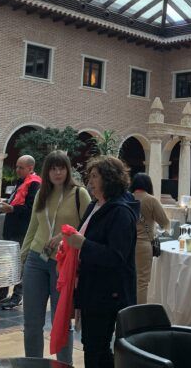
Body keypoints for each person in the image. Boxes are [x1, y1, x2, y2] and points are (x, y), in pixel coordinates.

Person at [66, 155, 138, 368]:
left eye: (95, 176)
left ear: (109, 178)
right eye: (90, 176)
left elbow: (117, 256)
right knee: (93, 345)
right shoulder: (95, 205)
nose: (90, 181)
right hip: (92, 287)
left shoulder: (121, 212)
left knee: (96, 347)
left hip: (107, 292)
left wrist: (83, 244)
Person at [21, 151, 90, 365]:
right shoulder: (41, 193)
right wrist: (22, 256)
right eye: (53, 168)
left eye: (61, 168)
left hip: (63, 263)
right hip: (36, 259)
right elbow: (33, 226)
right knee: (32, 322)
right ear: (47, 171)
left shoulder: (79, 194)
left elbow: (88, 227)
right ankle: (33, 364)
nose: (57, 172)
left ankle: (64, 364)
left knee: (61, 323)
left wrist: (64, 235)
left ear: (68, 170)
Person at [0, 155, 41, 310]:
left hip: (22, 230)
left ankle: (17, 296)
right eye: (16, 167)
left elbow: (31, 209)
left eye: (21, 168)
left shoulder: (34, 184)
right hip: (11, 228)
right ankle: (2, 293)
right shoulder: (20, 182)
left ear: (30, 168)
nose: (17, 170)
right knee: (9, 262)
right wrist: (7, 204)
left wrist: (11, 208)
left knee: (20, 263)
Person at [130, 172, 170, 304]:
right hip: (143, 245)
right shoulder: (151, 200)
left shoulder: (127, 198)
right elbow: (165, 222)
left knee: (128, 280)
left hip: (126, 244)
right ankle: (139, 313)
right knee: (141, 282)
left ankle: (126, 311)